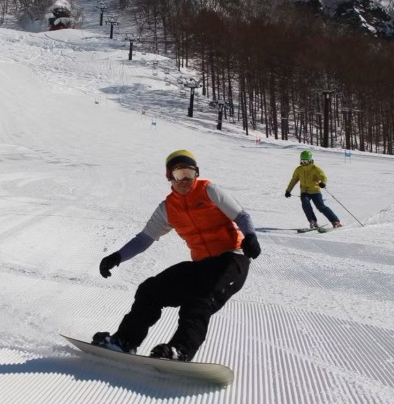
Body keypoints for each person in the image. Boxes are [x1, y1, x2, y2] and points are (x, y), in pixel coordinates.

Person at [93, 149, 261, 362]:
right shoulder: (167, 208)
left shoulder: (210, 191)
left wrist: (250, 236)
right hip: (202, 265)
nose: (185, 180)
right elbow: (145, 238)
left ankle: (179, 350)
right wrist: (117, 257)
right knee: (150, 290)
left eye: (190, 174)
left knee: (200, 300)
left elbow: (241, 215)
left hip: (232, 259)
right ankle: (124, 341)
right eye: (179, 174)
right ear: (169, 176)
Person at [285, 150, 341, 230]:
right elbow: (294, 180)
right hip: (304, 191)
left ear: (310, 160)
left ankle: (335, 221)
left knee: (321, 207)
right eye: (302, 160)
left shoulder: (315, 169)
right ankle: (313, 221)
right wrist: (288, 190)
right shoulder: (299, 169)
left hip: (315, 191)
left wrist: (323, 183)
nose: (304, 162)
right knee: (306, 205)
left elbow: (323, 177)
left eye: (306, 161)